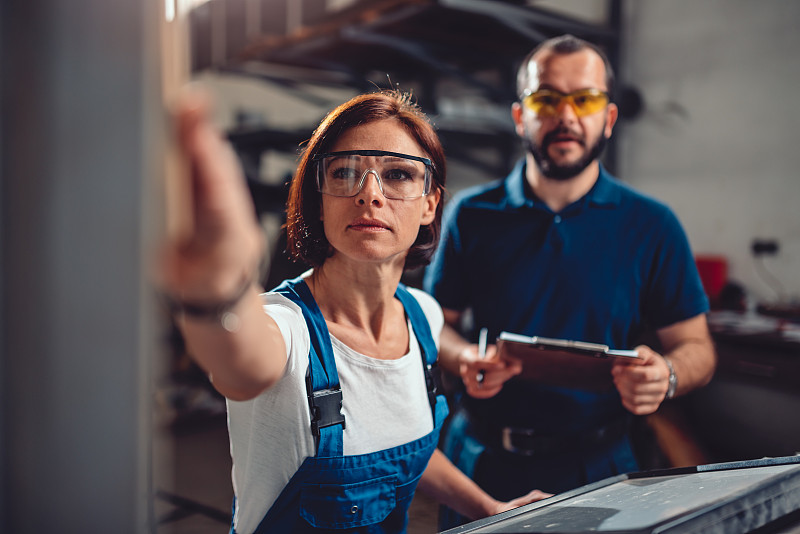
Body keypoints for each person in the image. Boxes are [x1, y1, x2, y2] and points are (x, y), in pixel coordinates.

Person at [159, 88, 549, 534]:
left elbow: (406, 446)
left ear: (430, 203)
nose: (369, 195)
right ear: (319, 200)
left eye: (399, 174)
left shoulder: (423, 318)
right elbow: (239, 362)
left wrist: (488, 507)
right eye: (344, 172)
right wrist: (219, 291)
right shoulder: (287, 327)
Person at [423, 34, 717, 528]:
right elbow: (433, 325)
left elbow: (697, 347)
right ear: (521, 116)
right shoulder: (471, 215)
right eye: (547, 99)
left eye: (585, 99)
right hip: (481, 461)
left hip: (600, 466)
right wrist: (464, 357)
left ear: (609, 117)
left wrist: (666, 375)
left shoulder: (651, 224)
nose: (566, 116)